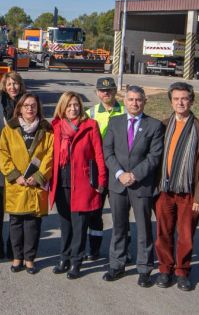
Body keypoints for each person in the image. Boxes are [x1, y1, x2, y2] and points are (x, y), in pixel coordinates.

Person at [102, 85, 164, 288]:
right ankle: (117, 264)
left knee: (144, 229)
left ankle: (145, 268)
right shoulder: (114, 122)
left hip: (141, 185)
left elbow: (154, 157)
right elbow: (108, 152)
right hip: (118, 184)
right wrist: (120, 174)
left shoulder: (154, 126)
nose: (134, 103)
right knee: (119, 227)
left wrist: (135, 175)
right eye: (130, 99)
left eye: (138, 100)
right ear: (125, 101)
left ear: (144, 101)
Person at [155, 82, 199, 292]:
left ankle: (182, 271)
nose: (180, 102)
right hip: (164, 190)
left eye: (185, 98)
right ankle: (165, 269)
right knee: (164, 232)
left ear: (191, 100)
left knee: (186, 234)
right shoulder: (161, 126)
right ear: (171, 101)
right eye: (176, 99)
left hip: (189, 193)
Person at [49, 91, 107, 279]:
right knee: (65, 223)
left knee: (79, 225)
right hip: (61, 183)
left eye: (76, 105)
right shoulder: (56, 126)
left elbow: (99, 155)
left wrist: (101, 180)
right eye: (69, 105)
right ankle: (63, 258)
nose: (73, 108)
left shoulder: (90, 126)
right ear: (62, 108)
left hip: (82, 183)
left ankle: (76, 262)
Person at [0, 93, 53, 274]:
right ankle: (17, 257)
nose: (30, 108)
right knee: (15, 223)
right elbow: (4, 154)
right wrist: (16, 176)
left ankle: (30, 259)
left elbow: (49, 156)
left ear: (38, 108)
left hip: (35, 185)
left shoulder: (46, 130)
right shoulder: (10, 129)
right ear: (19, 108)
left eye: (33, 106)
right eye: (26, 105)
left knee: (33, 224)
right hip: (17, 184)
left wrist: (38, 176)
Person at [85, 76, 124, 261]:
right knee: (95, 212)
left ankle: (122, 251)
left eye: (109, 90)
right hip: (98, 171)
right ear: (97, 92)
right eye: (102, 90)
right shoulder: (90, 113)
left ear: (115, 90)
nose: (106, 93)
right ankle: (93, 249)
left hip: (119, 170)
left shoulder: (125, 111)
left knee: (121, 213)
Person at [0, 71, 26, 259]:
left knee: (15, 205)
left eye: (16, 84)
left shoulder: (27, 104)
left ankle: (13, 243)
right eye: (9, 84)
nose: (13, 87)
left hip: (20, 161)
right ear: (4, 85)